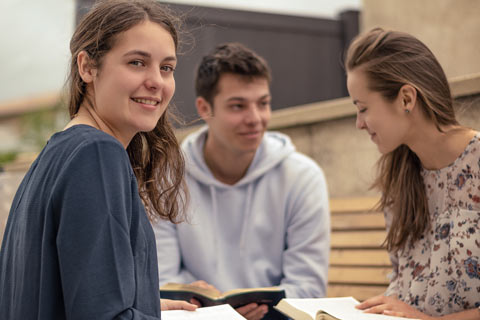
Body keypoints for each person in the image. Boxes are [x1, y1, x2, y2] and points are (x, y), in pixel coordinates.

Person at [0, 0, 197, 318]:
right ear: (87, 67)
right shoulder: (97, 155)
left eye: (166, 68)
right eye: (136, 63)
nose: (157, 81)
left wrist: (146, 305)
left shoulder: (57, 156)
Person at [154, 42, 330, 320]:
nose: (255, 119)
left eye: (263, 104)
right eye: (238, 106)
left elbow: (308, 287)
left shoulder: (302, 178)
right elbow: (162, 281)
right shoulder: (166, 178)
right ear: (204, 108)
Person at [345, 28, 480, 319]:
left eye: (363, 108)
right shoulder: (398, 179)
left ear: (406, 98)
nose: (359, 123)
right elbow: (403, 280)